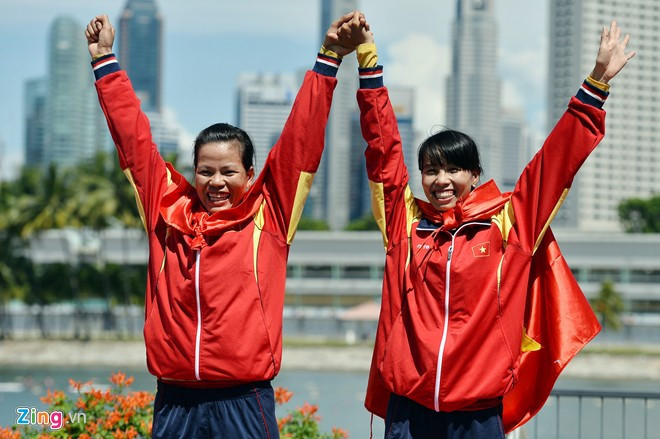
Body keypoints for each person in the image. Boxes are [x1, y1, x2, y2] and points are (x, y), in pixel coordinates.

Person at [340, 18, 635, 438]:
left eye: (453, 169)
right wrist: (368, 61)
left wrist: (596, 85)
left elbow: (553, 164)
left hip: (477, 415)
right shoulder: (405, 224)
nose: (441, 180)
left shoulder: (508, 222)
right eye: (430, 170)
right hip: (408, 411)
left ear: (474, 174)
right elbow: (382, 148)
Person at [85, 12, 364, 438]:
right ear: (192, 171)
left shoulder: (269, 214)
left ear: (249, 174)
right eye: (205, 171)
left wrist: (328, 60)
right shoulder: (166, 211)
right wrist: (105, 60)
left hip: (243, 400)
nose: (216, 182)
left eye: (228, 172)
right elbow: (134, 141)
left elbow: (300, 142)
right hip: (174, 399)